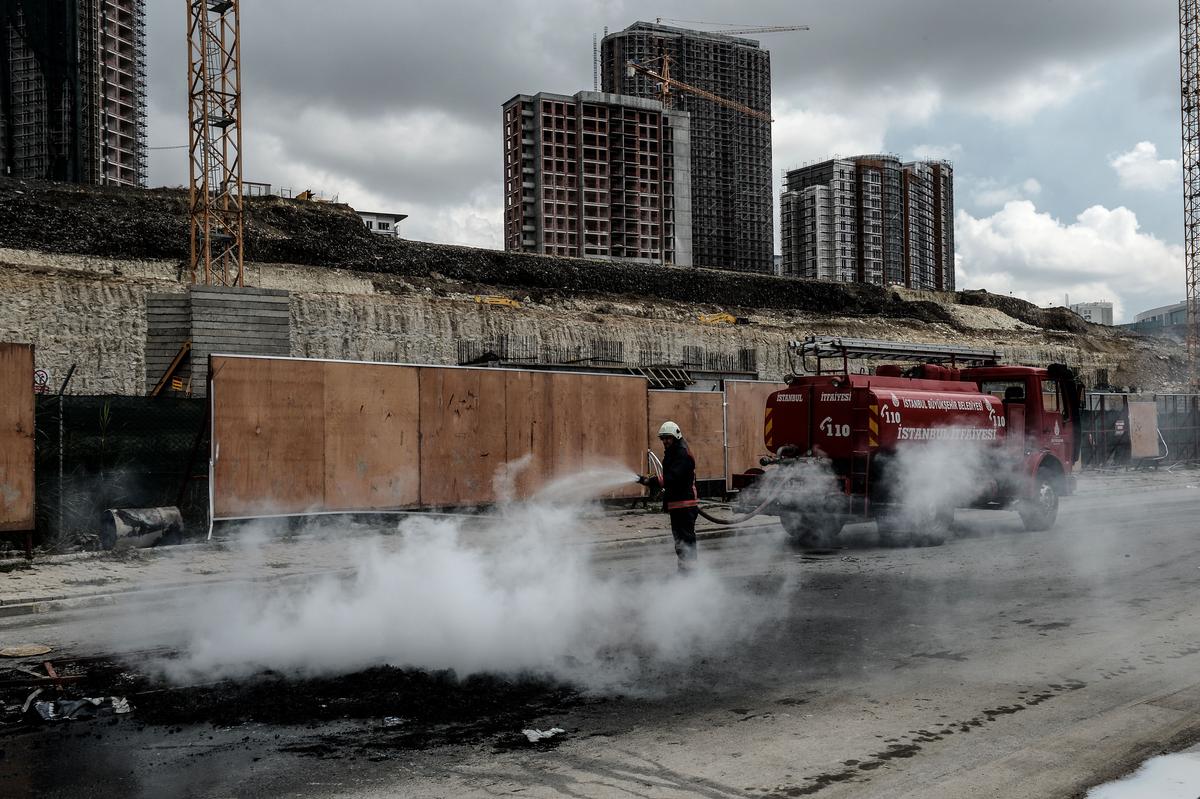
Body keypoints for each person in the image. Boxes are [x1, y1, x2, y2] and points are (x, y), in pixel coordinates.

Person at [638, 421, 699, 571]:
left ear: (676, 437)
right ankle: (684, 572)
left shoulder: (682, 454)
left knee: (686, 540)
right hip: (677, 504)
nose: (665, 441)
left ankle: (690, 574)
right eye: (663, 438)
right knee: (680, 540)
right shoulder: (674, 452)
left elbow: (673, 478)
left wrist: (650, 481)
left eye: (668, 438)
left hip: (684, 505)